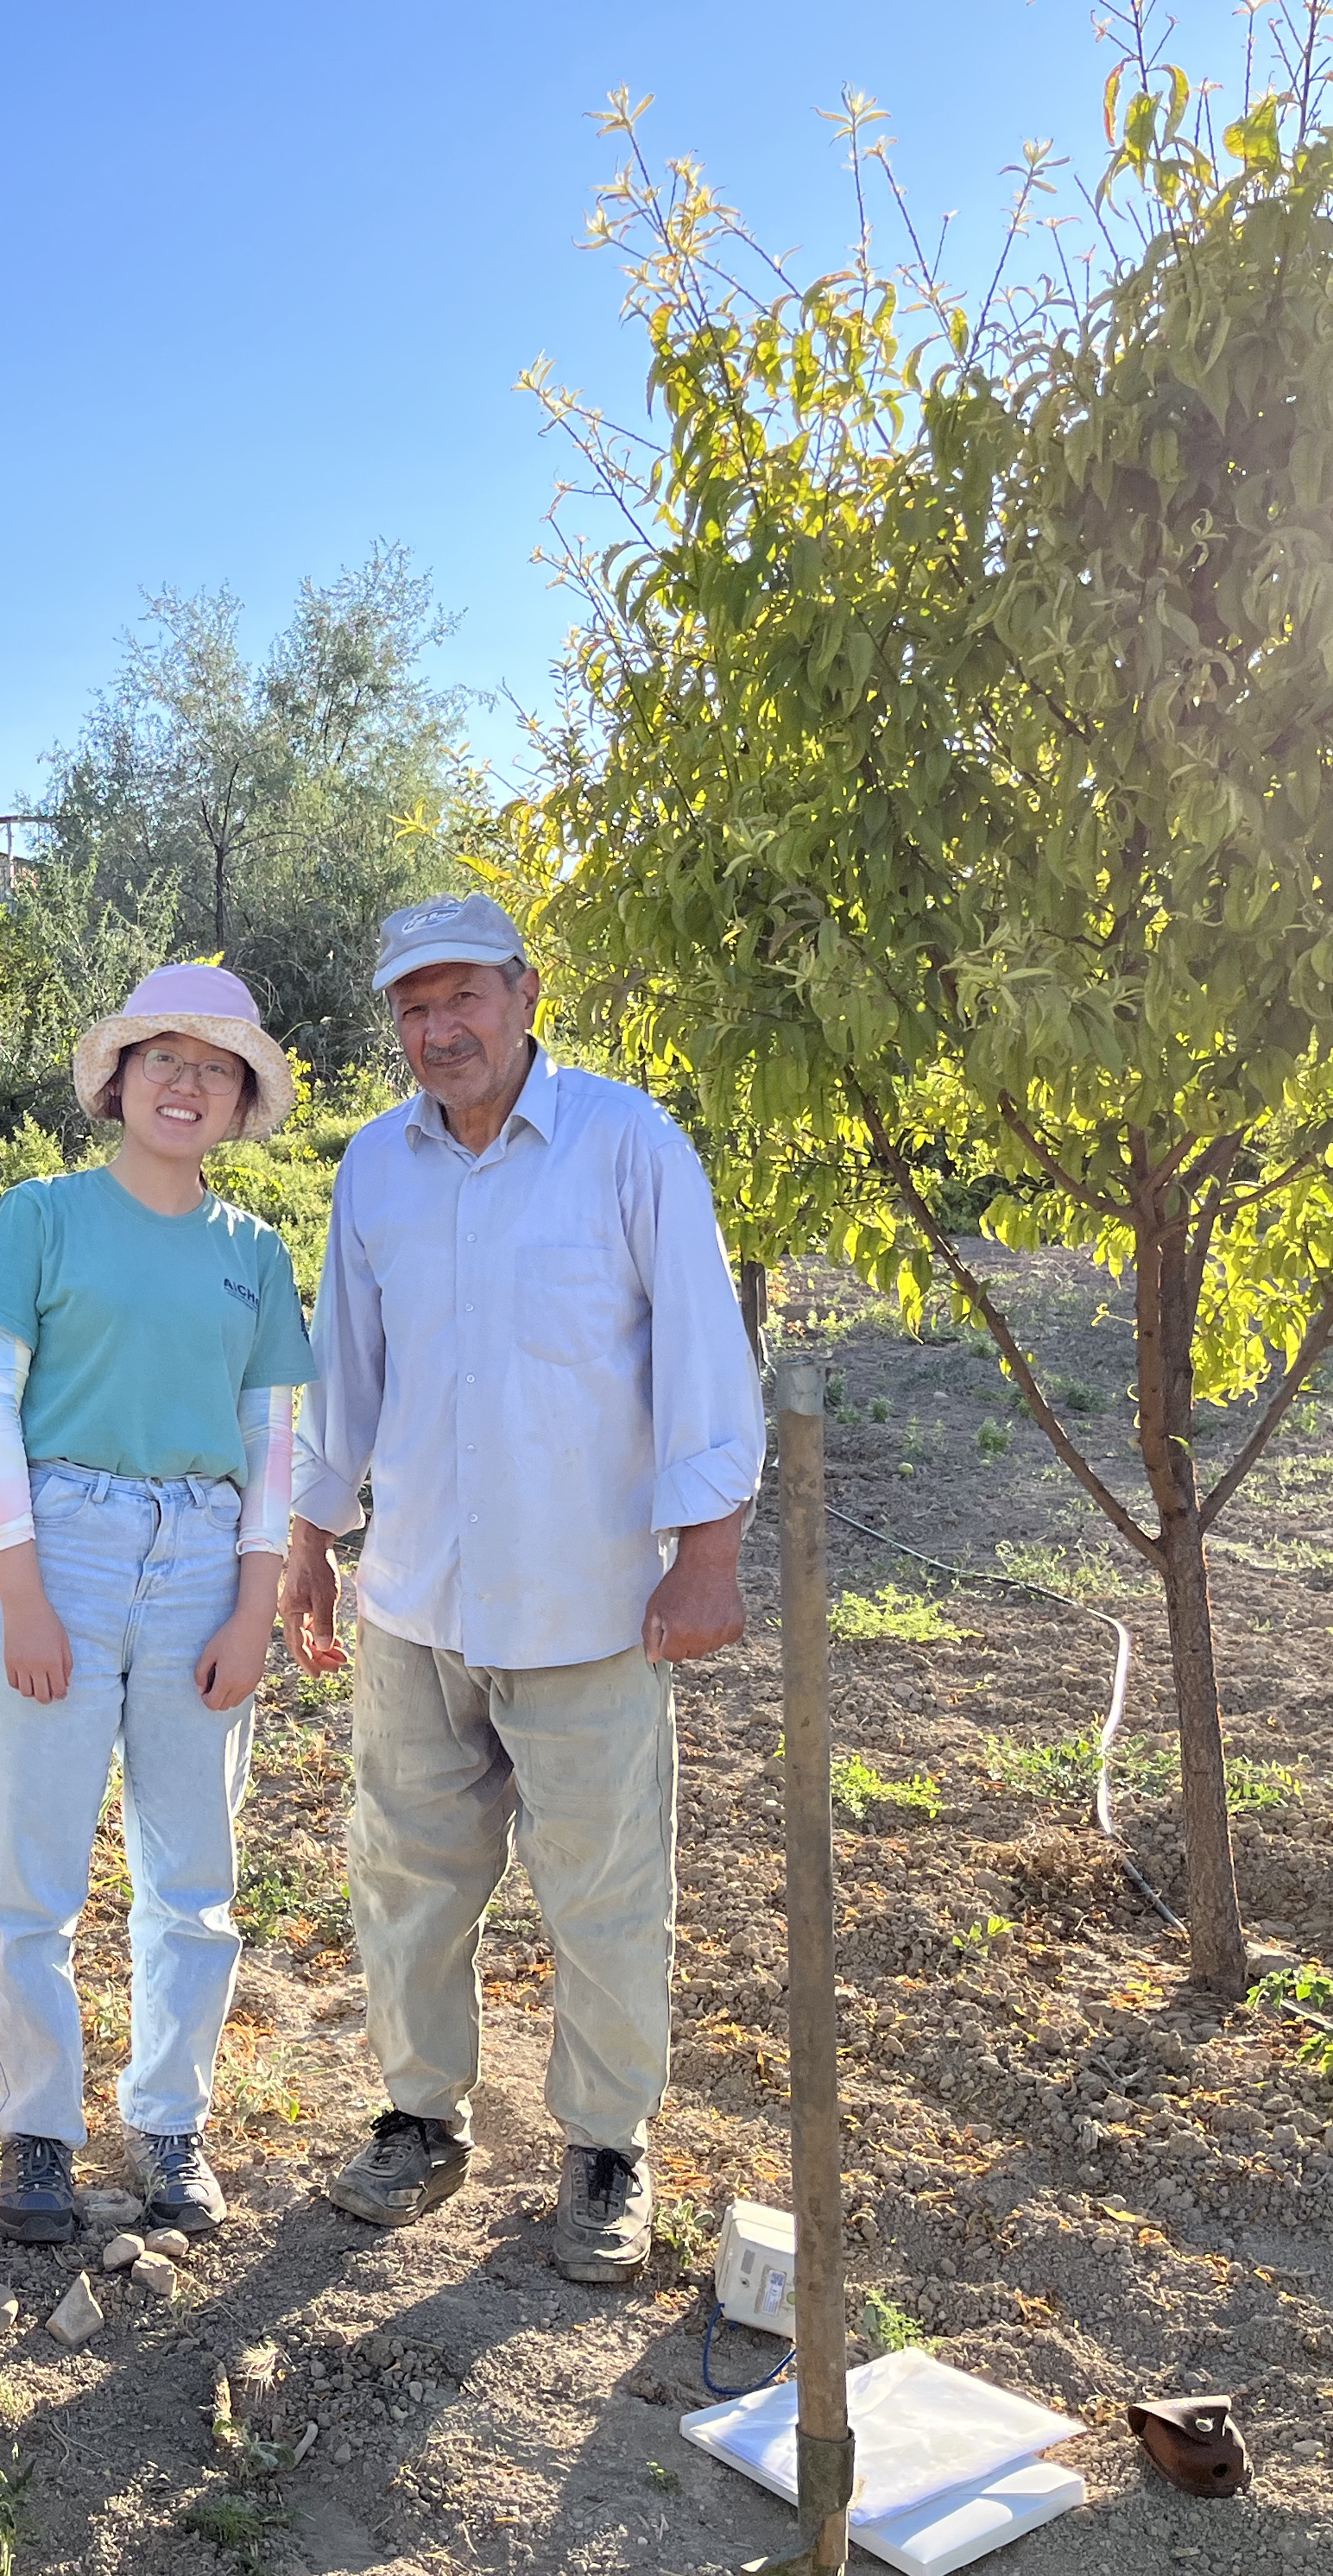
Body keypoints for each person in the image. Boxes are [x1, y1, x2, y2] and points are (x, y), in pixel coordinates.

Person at [283, 893, 761, 2282]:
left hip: (585, 1601)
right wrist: (317, 1535)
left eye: (463, 999)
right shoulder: (374, 1169)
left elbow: (701, 1349)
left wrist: (709, 1551)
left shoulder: (627, 1145)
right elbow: (344, 1371)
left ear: (525, 992)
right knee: (409, 1878)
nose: (439, 1030)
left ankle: (608, 2148)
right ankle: (421, 2120)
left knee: (603, 1889)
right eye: (412, 1010)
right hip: (418, 1596)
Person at [0, 962, 316, 2244]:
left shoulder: (256, 1254)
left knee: (193, 1879)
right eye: (164, 1056)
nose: (186, 1081)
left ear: (239, 1102)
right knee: (35, 1877)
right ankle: (39, 2136)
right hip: (60, 1548)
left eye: (215, 1067)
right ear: (118, 1080)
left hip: (203, 1569)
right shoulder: (41, 1216)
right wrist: (26, 1592)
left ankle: (171, 2128)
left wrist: (254, 1604)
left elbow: (271, 1435)